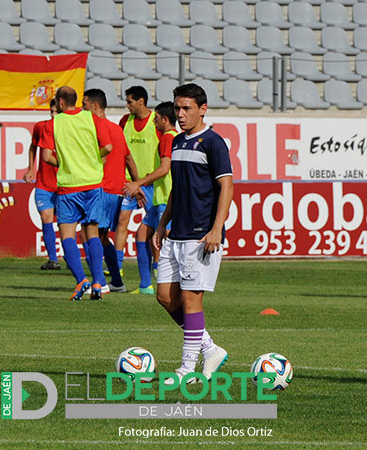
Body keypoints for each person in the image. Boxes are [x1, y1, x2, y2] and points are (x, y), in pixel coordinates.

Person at [152, 83, 232, 384]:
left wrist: (216, 228)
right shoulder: (177, 143)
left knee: (190, 300)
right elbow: (176, 190)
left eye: (186, 108)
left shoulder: (213, 142)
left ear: (202, 109)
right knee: (164, 297)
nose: (180, 114)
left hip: (201, 235)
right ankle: (209, 348)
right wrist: (162, 224)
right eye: (177, 108)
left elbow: (227, 186)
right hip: (176, 234)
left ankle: (187, 370)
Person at [39, 86, 112, 300]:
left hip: (69, 186)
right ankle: (98, 282)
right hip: (93, 184)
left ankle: (81, 279)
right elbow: (107, 147)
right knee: (92, 233)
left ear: (60, 102)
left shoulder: (53, 123)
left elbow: (45, 157)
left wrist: (64, 162)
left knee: (67, 234)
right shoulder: (92, 119)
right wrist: (91, 160)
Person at [82, 88, 142, 293]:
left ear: (95, 106)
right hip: (116, 191)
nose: (82, 109)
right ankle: (116, 281)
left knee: (88, 234)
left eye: (84, 105)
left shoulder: (94, 127)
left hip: (100, 189)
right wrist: (137, 185)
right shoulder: (117, 129)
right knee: (102, 236)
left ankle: (100, 282)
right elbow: (128, 158)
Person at [123, 101, 176, 295]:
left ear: (165, 119)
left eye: (156, 119)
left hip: (165, 198)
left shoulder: (168, 138)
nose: (153, 122)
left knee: (164, 240)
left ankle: (167, 280)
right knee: (142, 234)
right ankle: (146, 284)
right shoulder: (169, 138)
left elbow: (164, 169)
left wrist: (139, 182)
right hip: (158, 198)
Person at [116, 86, 161, 283]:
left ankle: (157, 267)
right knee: (122, 222)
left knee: (155, 229)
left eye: (130, 102)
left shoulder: (156, 122)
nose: (127, 106)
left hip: (151, 184)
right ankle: (117, 267)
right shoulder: (125, 121)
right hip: (129, 184)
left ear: (141, 101)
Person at [23, 99, 60, 270]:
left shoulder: (68, 129)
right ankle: (53, 259)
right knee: (46, 217)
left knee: (66, 222)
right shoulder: (41, 127)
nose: (54, 115)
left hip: (64, 184)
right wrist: (31, 168)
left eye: (57, 112)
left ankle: (70, 256)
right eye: (52, 111)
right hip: (44, 183)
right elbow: (33, 147)